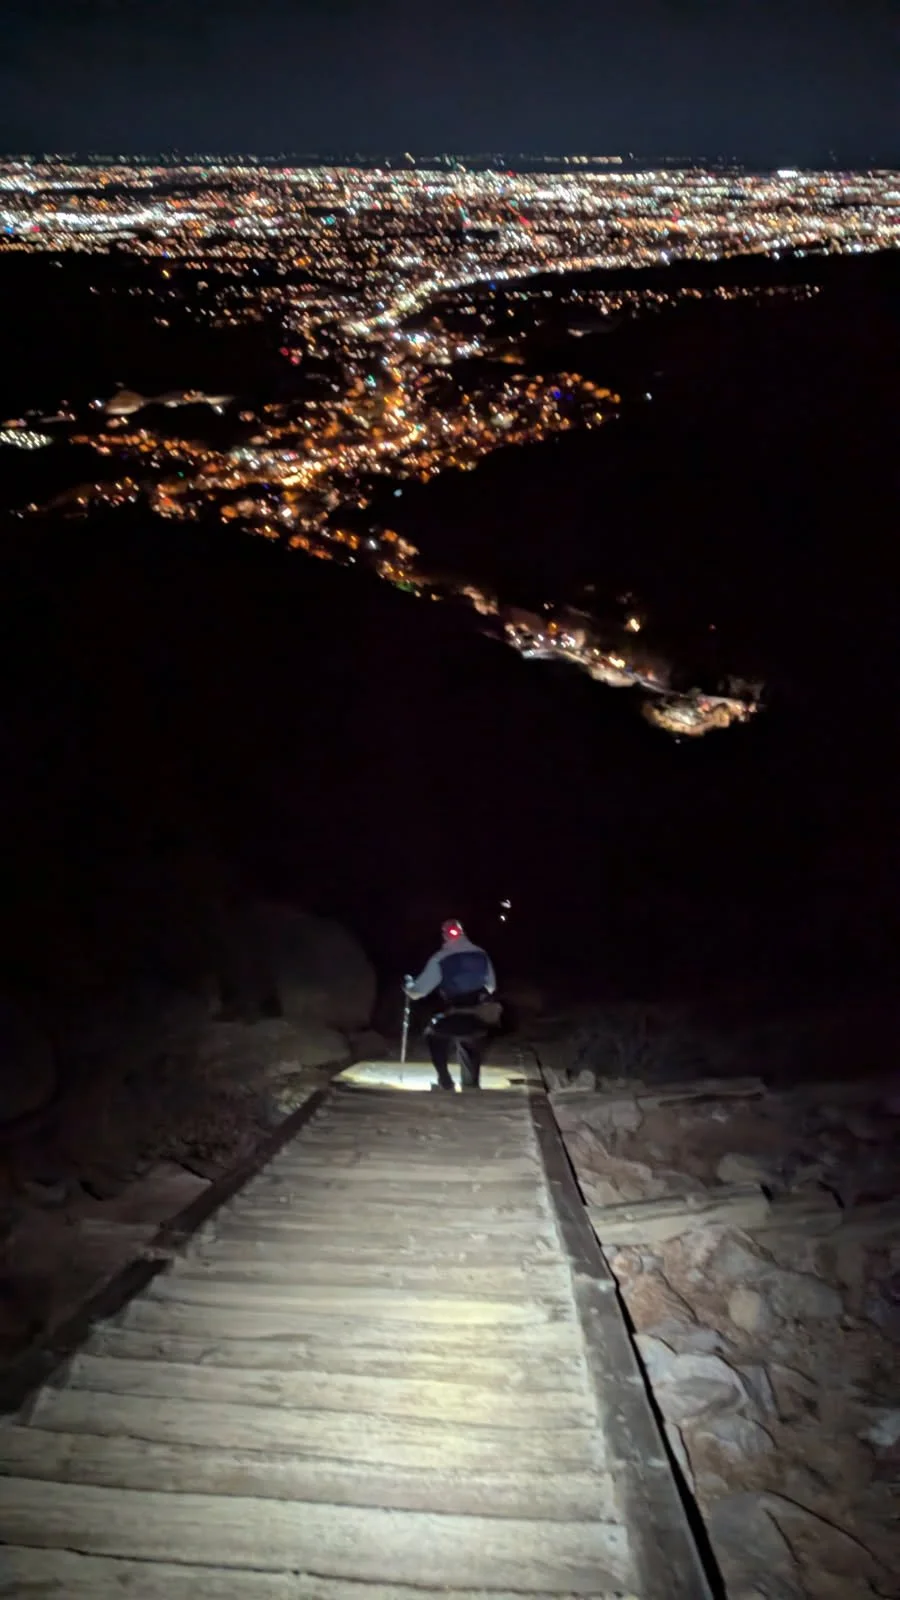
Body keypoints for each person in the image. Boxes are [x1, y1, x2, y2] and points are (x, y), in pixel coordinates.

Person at [404, 920, 498, 1091]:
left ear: (444, 935)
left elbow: (419, 992)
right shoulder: (481, 954)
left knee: (433, 1034)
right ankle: (471, 1084)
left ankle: (445, 1082)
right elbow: (491, 986)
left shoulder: (440, 958)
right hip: (477, 1013)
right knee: (471, 1039)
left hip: (454, 1010)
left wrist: (409, 987)